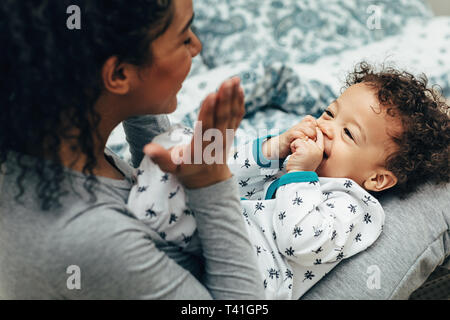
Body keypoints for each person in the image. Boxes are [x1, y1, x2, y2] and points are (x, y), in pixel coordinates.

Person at [0, 0, 265, 299]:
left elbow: (146, 200)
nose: (197, 47)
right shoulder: (92, 237)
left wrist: (140, 99)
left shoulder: (48, 140)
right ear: (119, 75)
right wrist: (210, 180)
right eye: (184, 36)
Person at [128, 62, 449, 299]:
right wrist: (272, 149)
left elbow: (301, 240)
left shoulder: (354, 206)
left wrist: (298, 175)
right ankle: (144, 209)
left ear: (377, 179)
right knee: (185, 146)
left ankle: (142, 210)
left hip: (253, 281)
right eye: (329, 113)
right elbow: (229, 181)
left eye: (348, 133)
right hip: (214, 245)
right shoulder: (294, 166)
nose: (327, 128)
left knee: (178, 162)